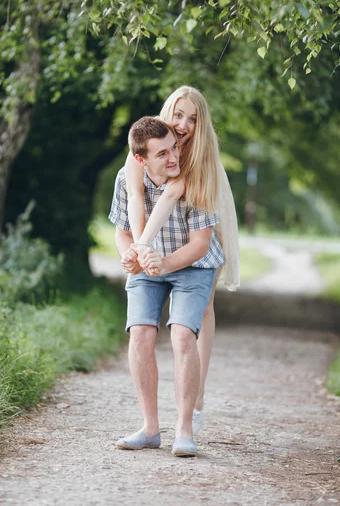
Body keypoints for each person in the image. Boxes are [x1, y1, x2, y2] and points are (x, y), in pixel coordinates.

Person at [123, 86, 240, 434]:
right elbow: (134, 195)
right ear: (167, 112)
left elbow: (172, 193)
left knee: (201, 311)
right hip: (159, 237)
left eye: (192, 118)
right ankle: (155, 424)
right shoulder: (146, 144)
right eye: (178, 115)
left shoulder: (198, 157)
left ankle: (198, 393)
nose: (184, 124)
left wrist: (141, 248)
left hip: (200, 230)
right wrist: (141, 249)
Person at [109, 116, 225, 457]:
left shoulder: (195, 177)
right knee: (141, 333)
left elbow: (202, 243)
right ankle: (150, 428)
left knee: (181, 334)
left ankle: (185, 431)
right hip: (148, 262)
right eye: (162, 154)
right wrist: (129, 255)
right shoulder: (127, 179)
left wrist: (166, 263)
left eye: (174, 147)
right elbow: (122, 230)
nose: (173, 157)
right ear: (142, 159)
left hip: (193, 265)